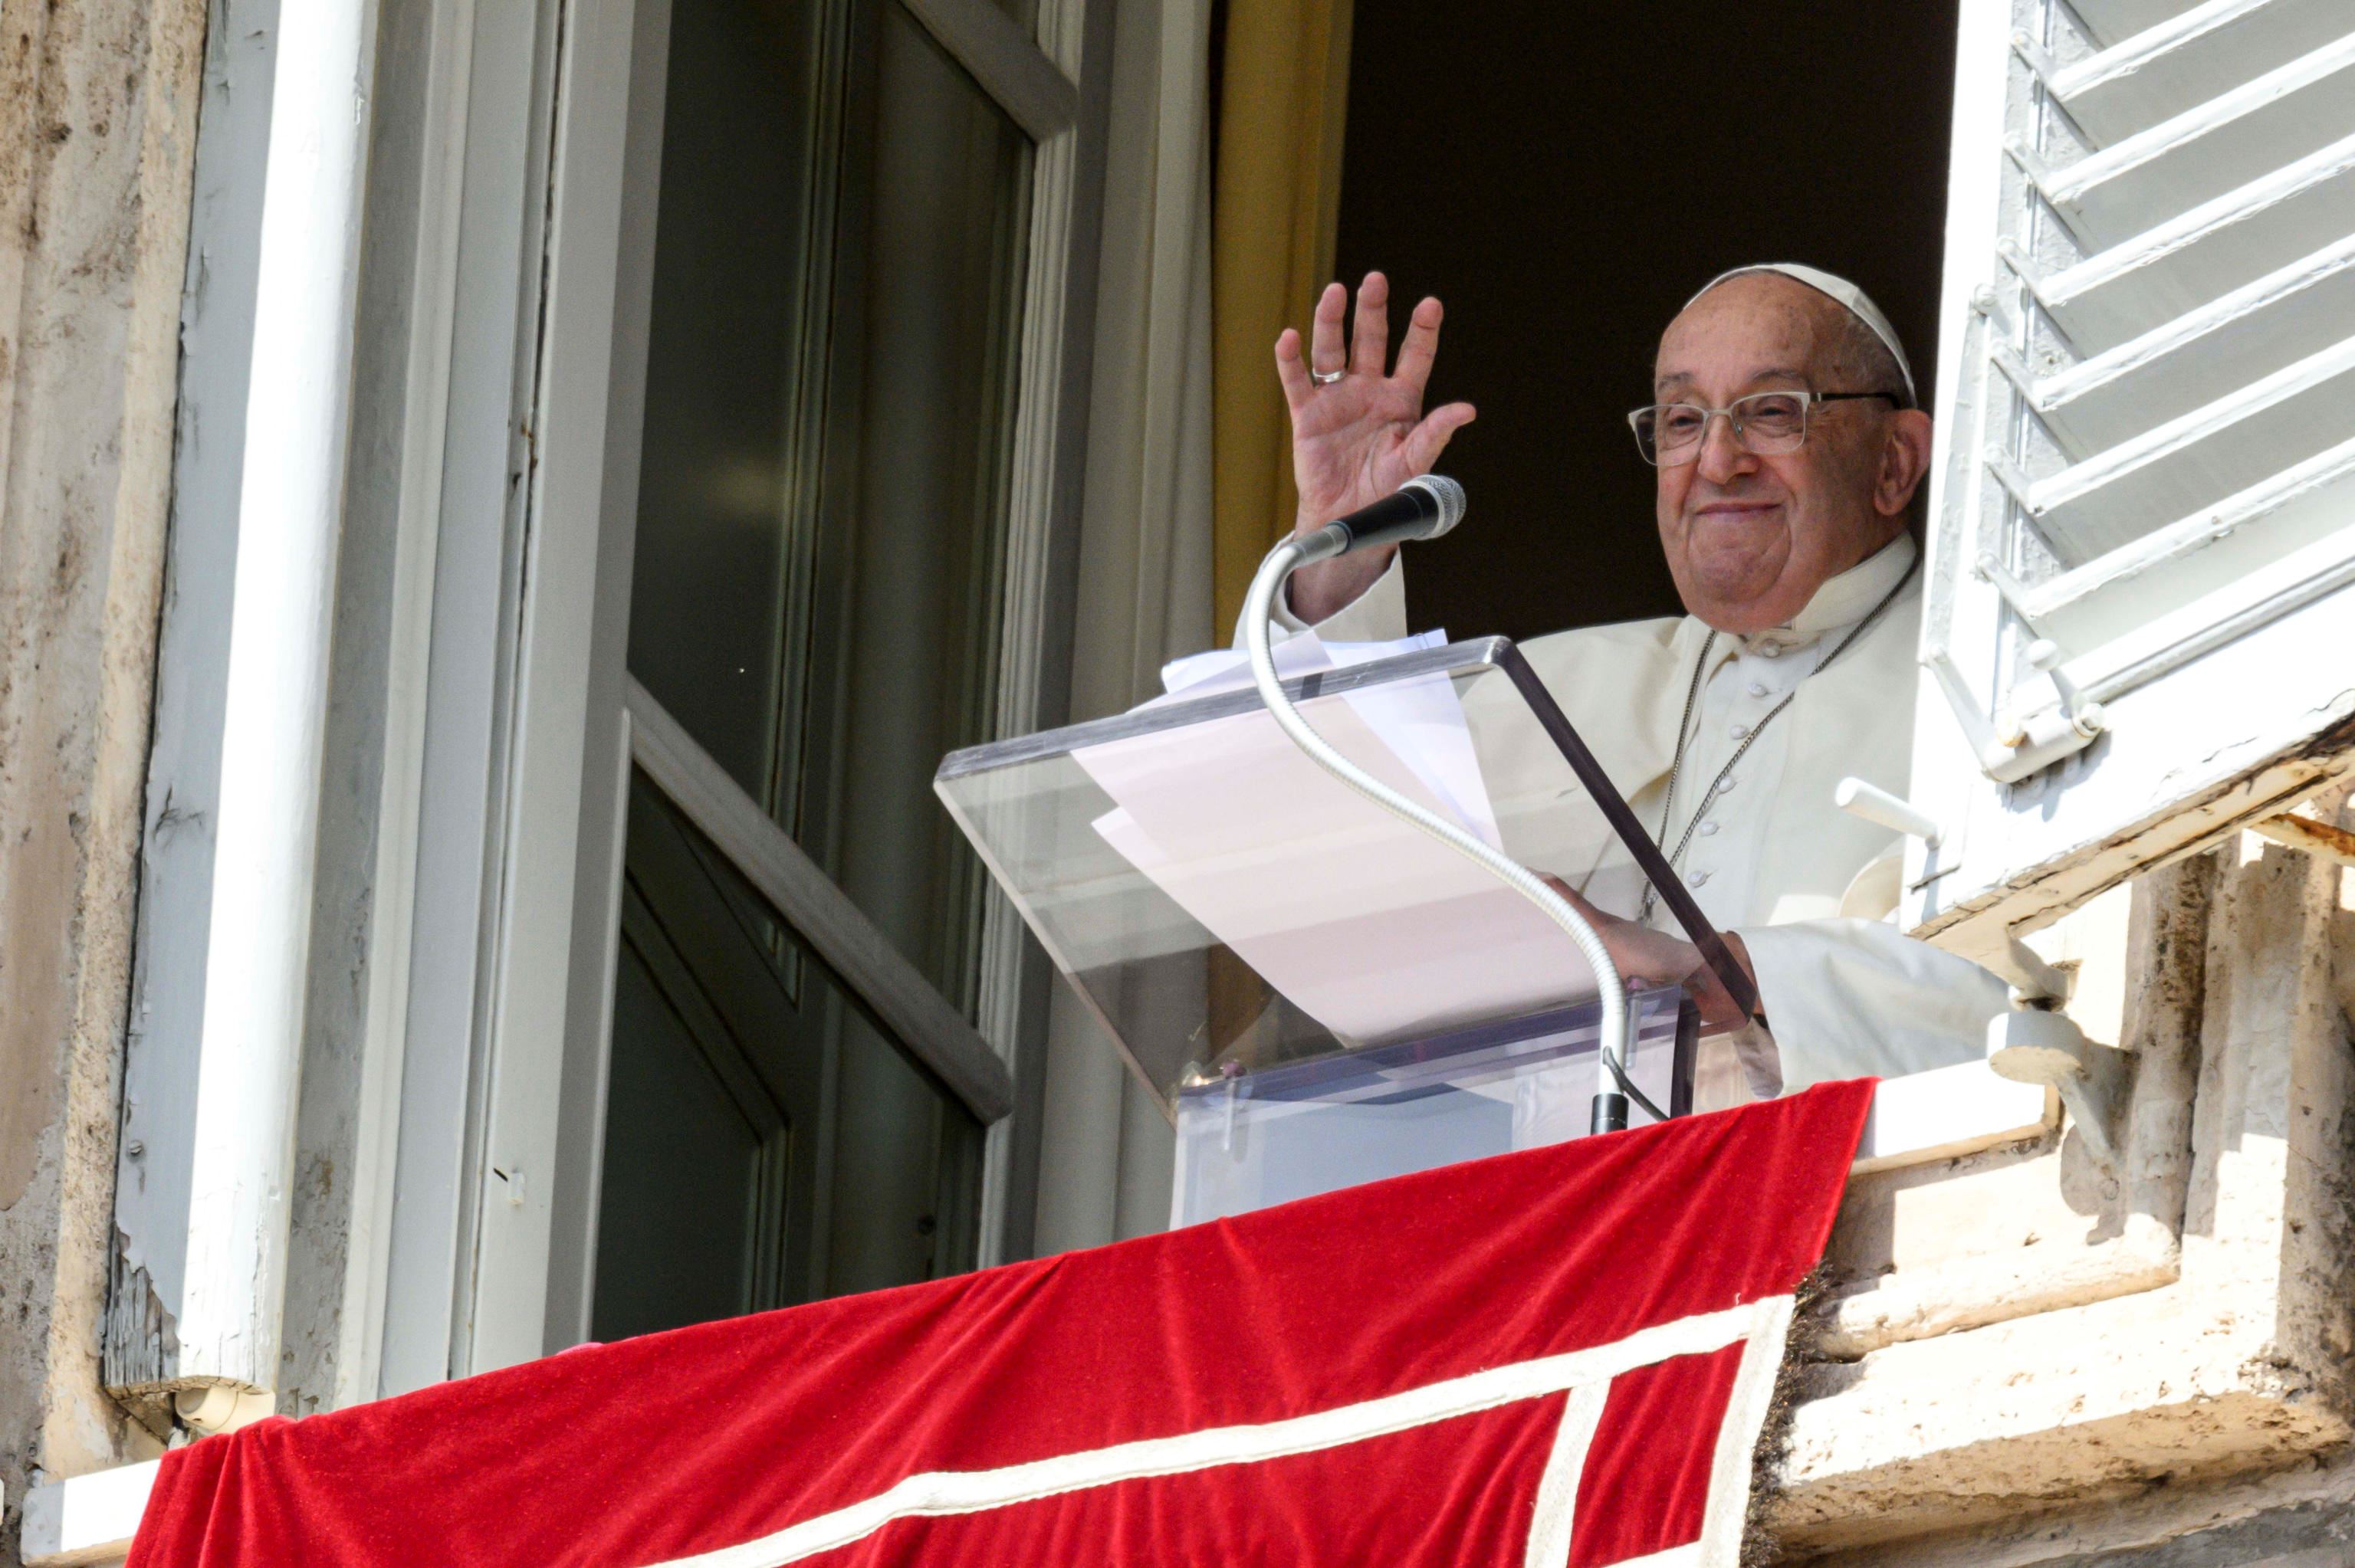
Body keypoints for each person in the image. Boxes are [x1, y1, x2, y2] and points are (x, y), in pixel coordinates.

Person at [1249, 264, 2009, 1096]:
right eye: (1683, 420)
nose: (1718, 462)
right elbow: (1312, 856)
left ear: (1894, 462)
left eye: (1771, 412)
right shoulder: (1551, 681)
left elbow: (2033, 986)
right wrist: (1340, 561)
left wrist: (1716, 980)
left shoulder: (1995, 695)